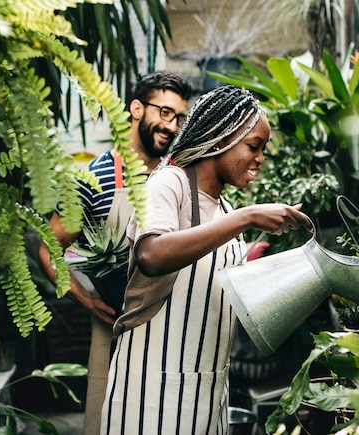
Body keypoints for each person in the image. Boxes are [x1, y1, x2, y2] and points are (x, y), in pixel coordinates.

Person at [101, 85, 312, 434]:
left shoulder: (223, 208)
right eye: (253, 146)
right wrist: (248, 217)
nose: (260, 158)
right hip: (152, 390)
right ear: (219, 141)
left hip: (208, 388)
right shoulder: (168, 184)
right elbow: (151, 254)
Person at [38, 71, 192, 435]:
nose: (172, 126)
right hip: (113, 330)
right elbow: (49, 249)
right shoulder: (93, 178)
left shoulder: (179, 177)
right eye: (165, 112)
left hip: (173, 327)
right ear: (136, 109)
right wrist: (86, 301)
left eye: (179, 118)